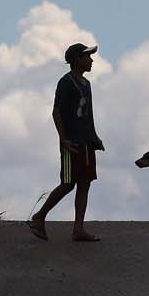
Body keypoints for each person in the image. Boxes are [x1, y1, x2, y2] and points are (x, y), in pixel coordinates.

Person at [27, 43, 105, 243]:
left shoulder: (86, 84)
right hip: (72, 142)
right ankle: (39, 217)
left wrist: (94, 137)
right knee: (68, 183)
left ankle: (78, 229)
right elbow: (56, 111)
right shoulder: (65, 82)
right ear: (77, 60)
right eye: (87, 57)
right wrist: (63, 139)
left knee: (85, 183)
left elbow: (88, 114)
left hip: (86, 141)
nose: (91, 60)